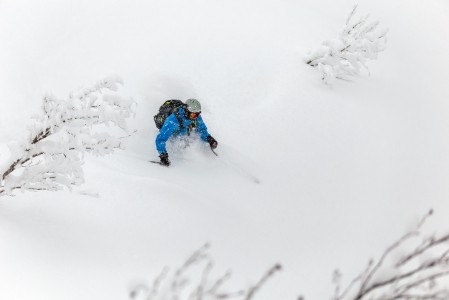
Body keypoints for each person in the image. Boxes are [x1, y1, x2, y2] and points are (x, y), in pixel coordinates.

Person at [155, 98, 218, 166]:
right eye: (194, 115)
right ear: (186, 111)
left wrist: (209, 139)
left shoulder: (195, 116)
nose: (196, 117)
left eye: (198, 114)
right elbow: (160, 139)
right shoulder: (172, 121)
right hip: (173, 136)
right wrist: (163, 156)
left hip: (184, 132)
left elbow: (202, 130)